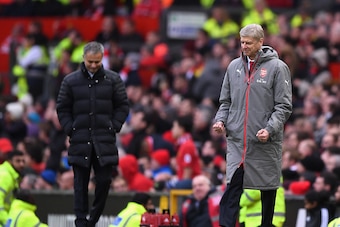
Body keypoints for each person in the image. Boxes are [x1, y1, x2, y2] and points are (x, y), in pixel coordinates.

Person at [212, 24, 292, 227]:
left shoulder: (278, 68)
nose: (244, 46)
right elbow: (225, 102)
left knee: (268, 189)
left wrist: (270, 128)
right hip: (238, 141)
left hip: (264, 140)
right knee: (232, 189)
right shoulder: (233, 67)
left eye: (248, 42)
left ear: (260, 42)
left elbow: (284, 106)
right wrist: (220, 120)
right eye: (242, 42)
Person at [56, 41, 129, 227]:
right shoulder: (70, 81)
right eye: (90, 61)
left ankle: (93, 219)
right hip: (80, 139)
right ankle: (81, 222)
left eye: (97, 61)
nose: (94, 65)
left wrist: (114, 126)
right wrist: (70, 128)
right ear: (83, 58)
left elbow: (123, 106)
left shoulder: (113, 79)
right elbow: (62, 108)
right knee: (80, 184)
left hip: (104, 139)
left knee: (104, 182)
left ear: (102, 59)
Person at [0, 150, 25, 226]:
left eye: (23, 161)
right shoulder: (5, 176)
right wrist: (7, 222)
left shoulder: (12, 176)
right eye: (18, 161)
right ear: (10, 161)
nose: (21, 164)